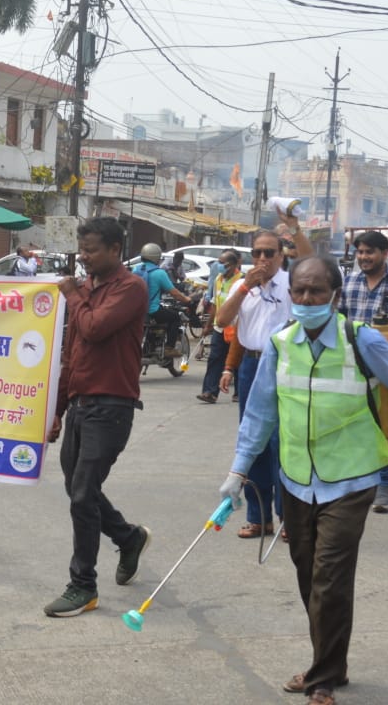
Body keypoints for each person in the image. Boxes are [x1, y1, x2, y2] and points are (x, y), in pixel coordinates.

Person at [220, 256, 388, 705]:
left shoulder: (362, 342)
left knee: (329, 576)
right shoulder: (281, 344)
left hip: (352, 476)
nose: (306, 299)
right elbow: (260, 411)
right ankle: (333, 662)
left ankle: (322, 678)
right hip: (297, 477)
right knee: (308, 573)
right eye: (299, 291)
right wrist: (238, 470)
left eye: (316, 292)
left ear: (335, 296)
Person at [43, 218, 150, 618]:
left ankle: (82, 585)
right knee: (77, 489)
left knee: (84, 494)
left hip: (112, 406)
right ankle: (128, 536)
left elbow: (93, 328)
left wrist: (71, 294)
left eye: (91, 250)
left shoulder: (130, 288)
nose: (84, 258)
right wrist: (57, 411)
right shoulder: (85, 289)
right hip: (81, 405)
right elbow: (73, 354)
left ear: (116, 250)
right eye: (82, 249)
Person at [215, 223, 313, 539]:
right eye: (256, 253)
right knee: (252, 443)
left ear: (281, 255)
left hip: (286, 366)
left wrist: (297, 230)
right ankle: (259, 518)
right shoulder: (242, 286)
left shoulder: (291, 282)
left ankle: (288, 517)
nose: (262, 260)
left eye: (269, 253)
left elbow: (311, 262)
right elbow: (222, 320)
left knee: (282, 443)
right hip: (251, 365)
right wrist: (245, 287)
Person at [338, 231, 388, 513]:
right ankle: (356, 484)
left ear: (385, 253)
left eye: (369, 252)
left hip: (387, 369)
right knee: (353, 426)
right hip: (353, 367)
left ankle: (383, 484)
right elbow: (340, 323)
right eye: (360, 252)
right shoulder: (349, 283)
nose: (363, 257)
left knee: (386, 426)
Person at [198, 250, 243, 404]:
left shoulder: (242, 281)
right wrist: (208, 325)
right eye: (220, 263)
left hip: (237, 326)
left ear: (235, 264)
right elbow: (215, 304)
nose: (221, 266)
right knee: (215, 359)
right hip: (219, 326)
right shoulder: (218, 279)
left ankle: (239, 392)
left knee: (237, 360)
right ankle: (209, 392)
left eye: (225, 264)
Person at [132, 244, 193, 357]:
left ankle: (151, 342)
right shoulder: (159, 273)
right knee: (175, 317)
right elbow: (174, 293)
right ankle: (169, 348)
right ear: (156, 257)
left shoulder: (137, 269)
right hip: (152, 310)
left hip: (136, 311)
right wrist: (186, 299)